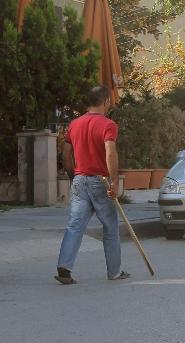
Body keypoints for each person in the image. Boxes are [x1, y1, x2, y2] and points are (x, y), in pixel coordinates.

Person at [55, 85, 129, 285]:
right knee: (110, 227)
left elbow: (66, 155)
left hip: (80, 180)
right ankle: (114, 271)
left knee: (75, 225)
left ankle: (64, 266)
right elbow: (110, 153)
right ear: (105, 101)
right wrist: (114, 180)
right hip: (100, 180)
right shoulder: (108, 125)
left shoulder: (74, 124)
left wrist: (74, 177)